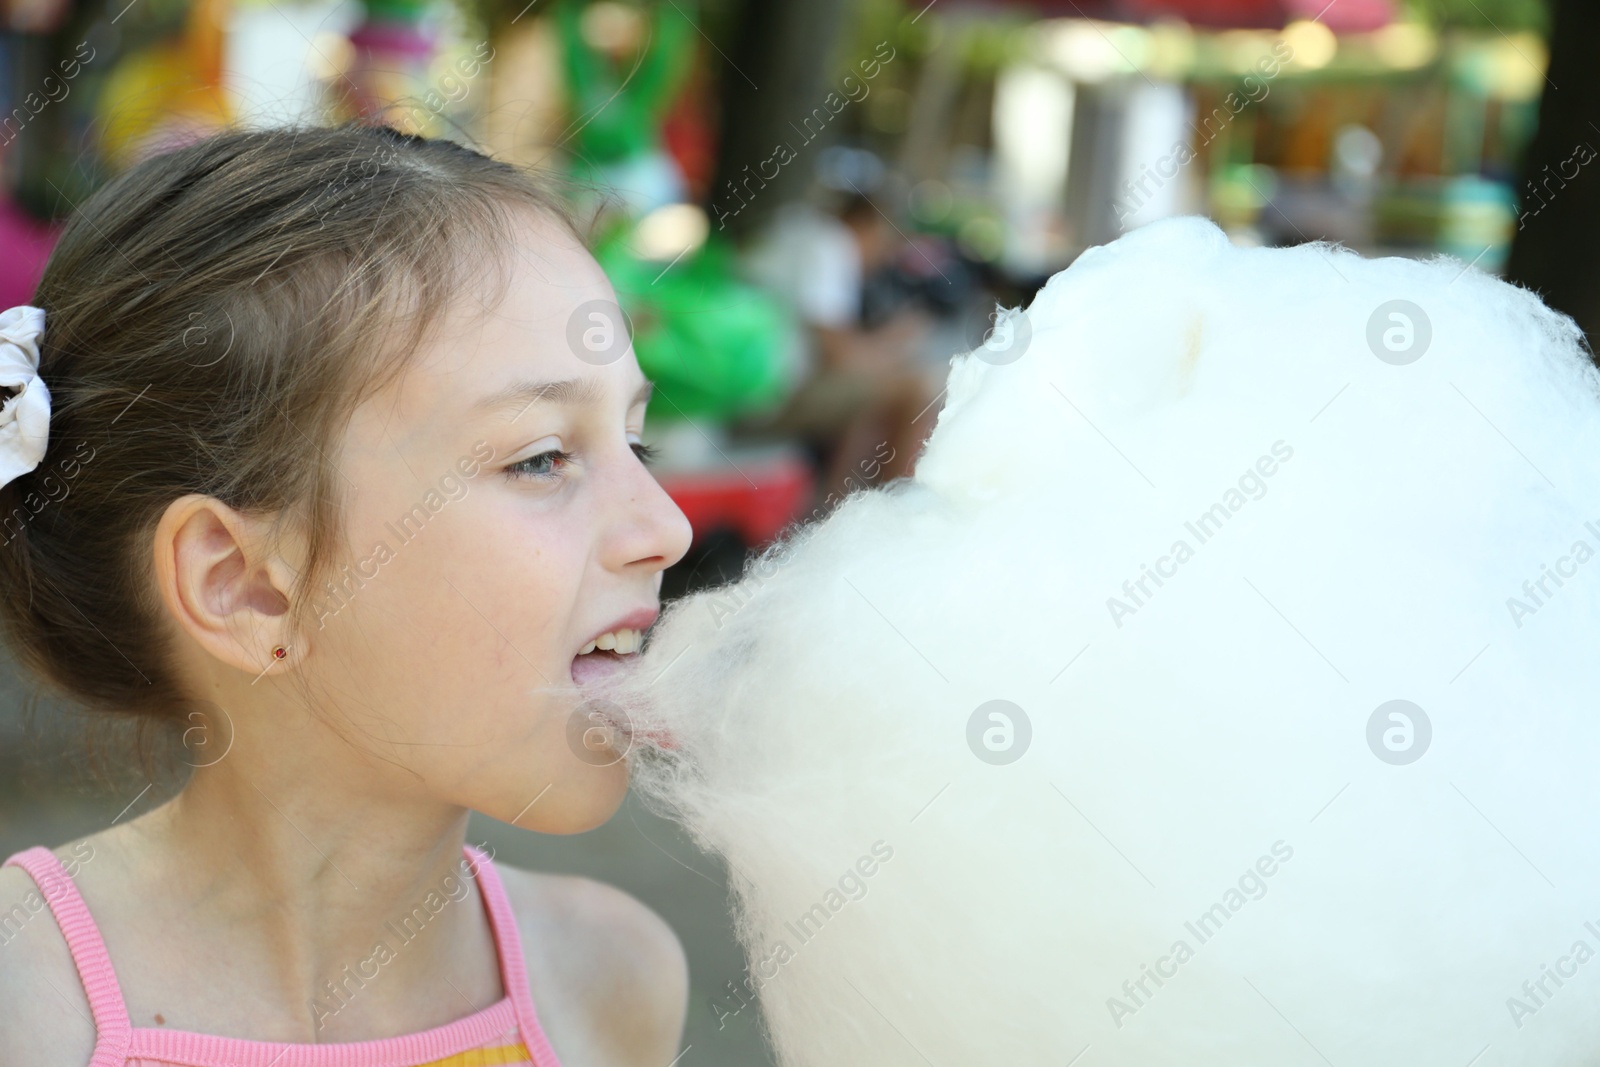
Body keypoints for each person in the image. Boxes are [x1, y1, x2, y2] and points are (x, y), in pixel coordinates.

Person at [0, 126, 692, 1066]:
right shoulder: (26, 1004)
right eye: (541, 458)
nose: (668, 527)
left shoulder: (613, 982)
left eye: (636, 441)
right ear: (247, 584)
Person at [744, 192, 940, 502]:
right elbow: (839, 356)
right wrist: (894, 342)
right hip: (768, 395)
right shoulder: (830, 245)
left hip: (752, 381)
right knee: (917, 390)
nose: (883, 256)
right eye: (885, 242)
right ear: (868, 225)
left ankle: (837, 507)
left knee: (873, 395)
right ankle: (895, 512)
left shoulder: (798, 230)